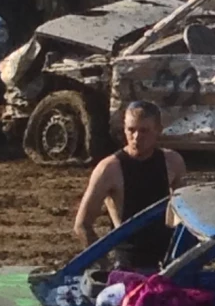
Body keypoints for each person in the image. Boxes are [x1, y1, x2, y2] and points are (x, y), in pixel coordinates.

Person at [72, 101, 188, 269]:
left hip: (167, 261)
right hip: (128, 263)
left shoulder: (173, 162)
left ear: (158, 130)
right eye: (131, 130)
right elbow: (82, 225)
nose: (136, 138)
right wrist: (105, 266)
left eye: (144, 131)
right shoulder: (109, 169)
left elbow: (185, 216)